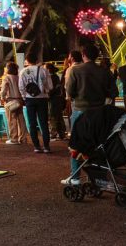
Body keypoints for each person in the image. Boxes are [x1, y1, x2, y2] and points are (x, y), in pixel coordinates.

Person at [62, 44, 113, 183]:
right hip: (99, 112)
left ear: (83, 55)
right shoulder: (104, 71)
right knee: (98, 144)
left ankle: (75, 177)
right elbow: (112, 92)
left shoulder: (75, 70)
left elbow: (70, 91)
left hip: (80, 110)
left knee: (76, 144)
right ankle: (99, 177)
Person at [18, 48, 52, 154]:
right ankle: (46, 146)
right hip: (42, 98)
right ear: (37, 60)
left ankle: (37, 146)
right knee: (43, 123)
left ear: (27, 60)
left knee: (32, 123)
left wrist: (24, 96)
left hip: (29, 99)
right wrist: (45, 90)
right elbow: (50, 86)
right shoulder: (43, 70)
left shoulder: (23, 71)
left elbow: (21, 87)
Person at [0, 61, 26, 145]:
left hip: (10, 100)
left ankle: (14, 139)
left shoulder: (6, 78)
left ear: (8, 69)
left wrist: (2, 97)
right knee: (21, 119)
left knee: (12, 120)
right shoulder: (18, 77)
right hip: (19, 100)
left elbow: (4, 90)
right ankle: (23, 138)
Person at [47, 63, 68, 140]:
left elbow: (51, 90)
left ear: (48, 69)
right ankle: (61, 133)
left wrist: (47, 95)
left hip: (53, 100)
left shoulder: (51, 78)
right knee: (59, 116)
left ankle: (53, 133)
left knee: (52, 116)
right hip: (58, 99)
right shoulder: (56, 76)